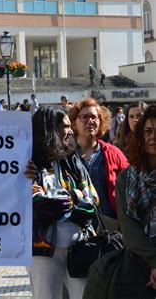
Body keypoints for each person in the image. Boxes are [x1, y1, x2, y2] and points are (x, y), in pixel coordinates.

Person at [84, 105, 156, 298]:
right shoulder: (127, 178)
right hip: (136, 262)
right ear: (140, 136)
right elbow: (128, 225)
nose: (153, 136)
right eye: (148, 131)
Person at [27, 106, 97, 299]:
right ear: (49, 130)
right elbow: (38, 205)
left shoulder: (73, 160)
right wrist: (74, 196)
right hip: (41, 249)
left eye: (69, 126)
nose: (70, 131)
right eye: (64, 127)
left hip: (79, 246)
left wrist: (71, 196)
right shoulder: (28, 163)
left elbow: (92, 199)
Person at [68, 98, 128, 227]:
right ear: (74, 122)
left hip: (108, 226)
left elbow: (131, 183)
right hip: (75, 226)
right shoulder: (66, 156)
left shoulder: (113, 152)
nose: (90, 121)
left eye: (94, 117)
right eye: (84, 117)